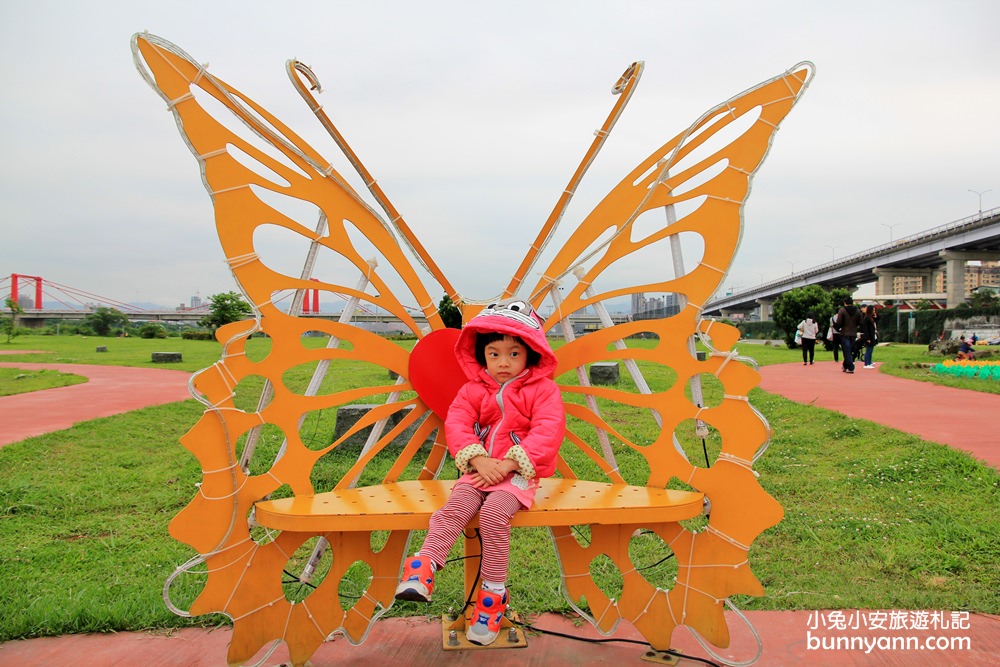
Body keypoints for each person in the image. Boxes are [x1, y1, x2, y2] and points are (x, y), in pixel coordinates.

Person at [394, 299, 565, 646]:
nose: (504, 362)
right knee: (454, 509)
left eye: (514, 354)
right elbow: (458, 424)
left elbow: (548, 430)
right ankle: (423, 567)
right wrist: (477, 460)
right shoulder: (473, 390)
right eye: (495, 353)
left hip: (517, 474)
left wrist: (508, 463)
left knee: (493, 516)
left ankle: (492, 598)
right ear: (481, 354)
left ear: (531, 353)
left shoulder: (543, 391)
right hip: (479, 470)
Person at [835, 296, 862, 373]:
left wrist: (838, 327)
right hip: (853, 332)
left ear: (845, 303)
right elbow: (860, 321)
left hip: (844, 332)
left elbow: (839, 322)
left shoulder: (842, 310)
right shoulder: (857, 311)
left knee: (846, 350)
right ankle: (845, 365)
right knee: (850, 350)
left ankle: (850, 367)